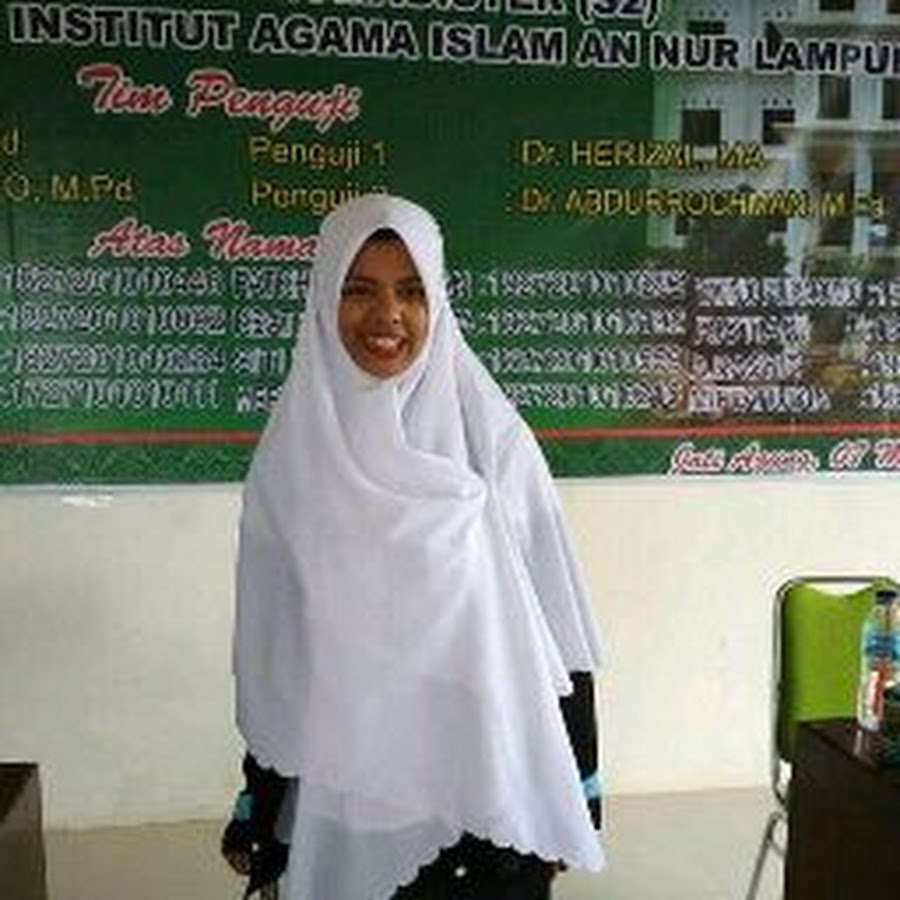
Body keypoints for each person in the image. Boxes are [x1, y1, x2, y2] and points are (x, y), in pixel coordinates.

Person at [222, 193, 604, 900]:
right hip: (344, 801)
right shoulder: (290, 463)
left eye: (411, 291)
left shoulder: (495, 444)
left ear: (439, 302)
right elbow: (278, 656)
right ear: (322, 299)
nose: (387, 315)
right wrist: (259, 802)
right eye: (358, 290)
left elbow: (559, 628)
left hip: (488, 802)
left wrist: (579, 781)